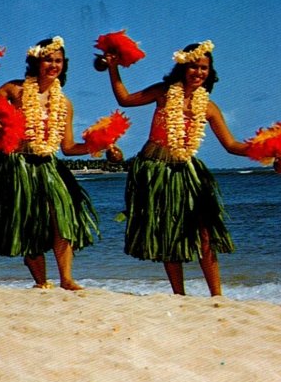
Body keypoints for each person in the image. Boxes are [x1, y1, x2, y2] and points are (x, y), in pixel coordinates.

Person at [103, 40, 249, 297]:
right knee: (169, 235)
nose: (199, 72)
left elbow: (231, 145)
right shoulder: (163, 91)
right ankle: (179, 295)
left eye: (204, 68)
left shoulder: (209, 107)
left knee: (205, 232)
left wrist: (267, 150)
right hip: (154, 169)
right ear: (182, 68)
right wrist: (113, 68)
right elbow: (125, 100)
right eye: (193, 67)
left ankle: (217, 295)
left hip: (187, 172)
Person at [0, 36, 99, 290]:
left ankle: (67, 278)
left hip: (48, 165)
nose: (53, 65)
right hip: (17, 165)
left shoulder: (65, 103)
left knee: (62, 217)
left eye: (58, 60)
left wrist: (96, 144)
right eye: (48, 59)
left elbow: (68, 148)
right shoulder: (15, 90)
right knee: (30, 222)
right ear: (36, 62)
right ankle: (41, 281)